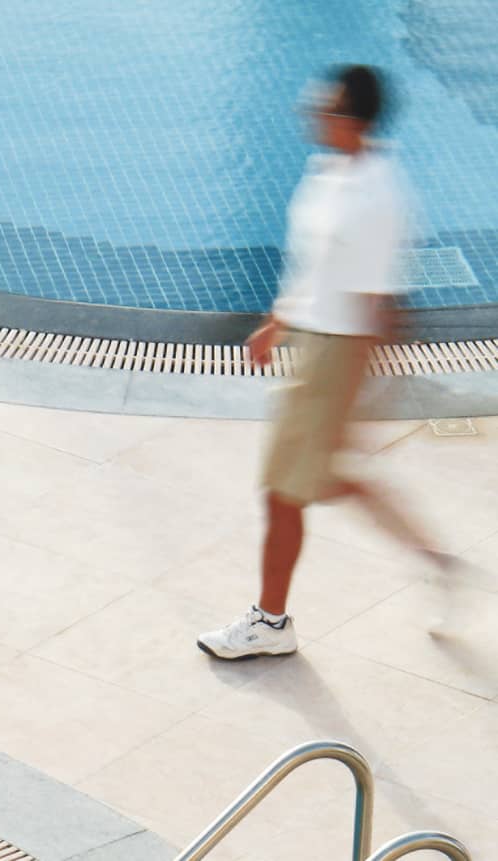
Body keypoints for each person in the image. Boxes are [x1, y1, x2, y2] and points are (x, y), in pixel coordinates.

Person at [197, 65, 452, 660]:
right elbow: (316, 265)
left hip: (337, 355)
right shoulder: (328, 169)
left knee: (285, 493)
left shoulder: (382, 196)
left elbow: (380, 310)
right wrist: (277, 322)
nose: (312, 113)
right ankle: (437, 562)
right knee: (324, 482)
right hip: (308, 345)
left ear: (355, 121)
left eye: (327, 109)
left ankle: (270, 621)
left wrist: (356, 399)